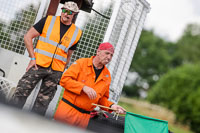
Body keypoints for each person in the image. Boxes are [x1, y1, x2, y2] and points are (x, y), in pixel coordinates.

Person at [11, 1, 82, 116]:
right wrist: (33, 58)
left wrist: (61, 70)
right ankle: (9, 119)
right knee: (21, 92)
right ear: (61, 10)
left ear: (74, 14)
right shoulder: (48, 20)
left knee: (42, 104)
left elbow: (68, 55)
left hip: (56, 71)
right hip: (37, 64)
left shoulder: (77, 32)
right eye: (64, 10)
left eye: (70, 12)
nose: (66, 14)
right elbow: (28, 37)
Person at [54, 42, 126, 128]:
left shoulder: (107, 75)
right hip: (67, 111)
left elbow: (101, 98)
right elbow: (64, 80)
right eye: (107, 53)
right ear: (98, 52)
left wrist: (112, 106)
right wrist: (83, 87)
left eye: (111, 55)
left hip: (84, 118)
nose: (109, 57)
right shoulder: (81, 63)